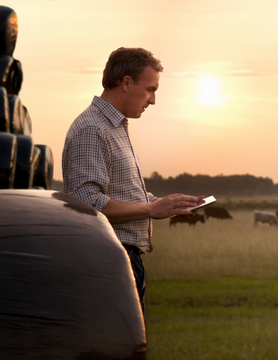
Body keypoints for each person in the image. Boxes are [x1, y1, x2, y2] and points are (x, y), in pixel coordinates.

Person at [62, 47, 201, 315]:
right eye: (150, 89)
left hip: (119, 259)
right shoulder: (93, 130)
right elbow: (87, 204)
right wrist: (150, 210)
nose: (153, 100)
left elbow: (118, 195)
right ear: (126, 82)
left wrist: (164, 205)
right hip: (107, 260)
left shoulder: (112, 127)